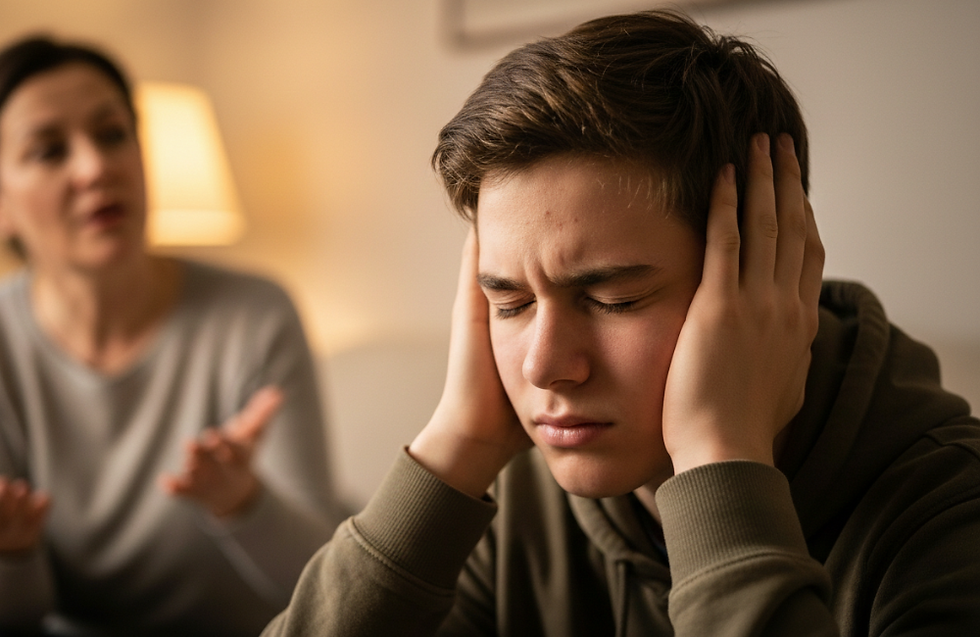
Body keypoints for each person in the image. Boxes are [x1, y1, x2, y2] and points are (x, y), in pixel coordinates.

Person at [262, 9, 980, 636]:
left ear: (772, 277)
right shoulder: (521, 495)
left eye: (613, 299)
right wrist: (458, 444)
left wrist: (720, 460)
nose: (544, 367)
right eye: (510, 303)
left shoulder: (949, 518)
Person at [0, 35, 345, 635]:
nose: (95, 167)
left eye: (113, 134)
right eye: (49, 150)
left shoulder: (255, 315)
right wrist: (13, 555)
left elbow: (332, 584)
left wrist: (244, 503)